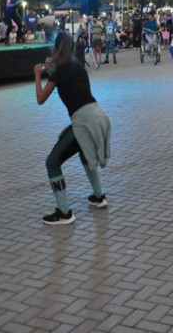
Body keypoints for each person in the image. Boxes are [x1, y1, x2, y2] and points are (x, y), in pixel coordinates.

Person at [34, 32, 111, 225]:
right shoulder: (79, 67)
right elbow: (66, 77)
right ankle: (99, 196)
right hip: (98, 114)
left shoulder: (59, 71)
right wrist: (51, 66)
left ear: (57, 47)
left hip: (83, 120)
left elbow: (41, 98)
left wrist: (37, 76)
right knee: (84, 151)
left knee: (52, 162)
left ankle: (64, 212)